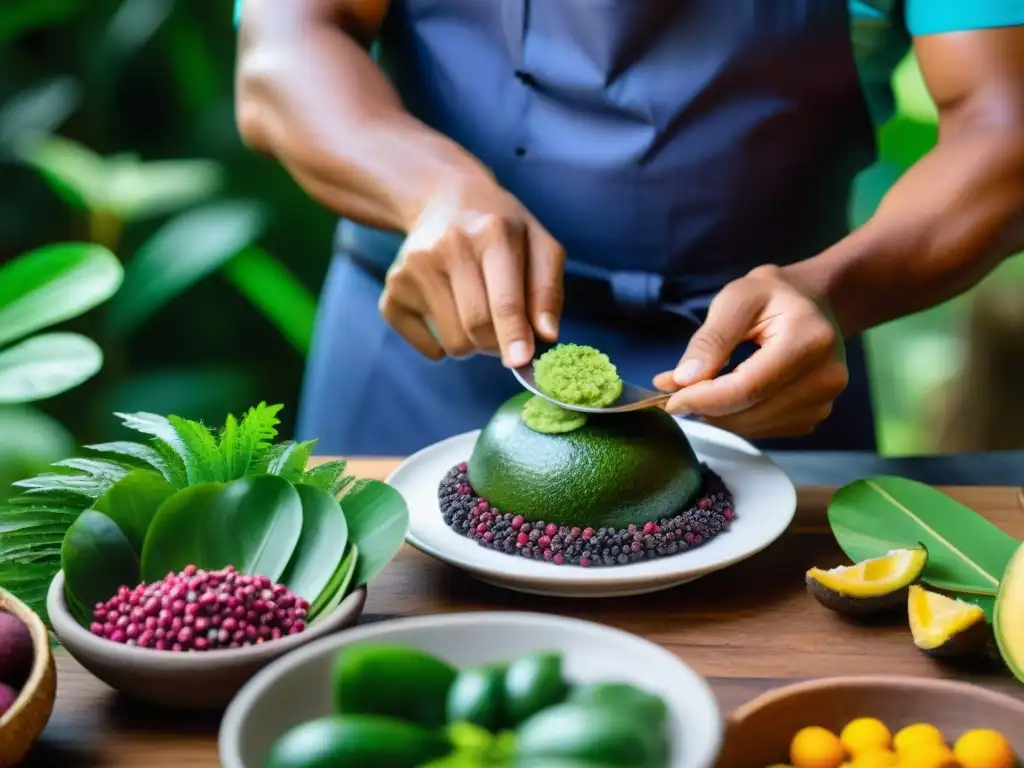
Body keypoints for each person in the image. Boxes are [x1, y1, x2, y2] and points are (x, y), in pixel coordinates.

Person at [233, 0, 1024, 456]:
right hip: (427, 353)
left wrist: (833, 292)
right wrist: (428, 190)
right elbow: (287, 45)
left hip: (770, 373)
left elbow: (1004, 123)